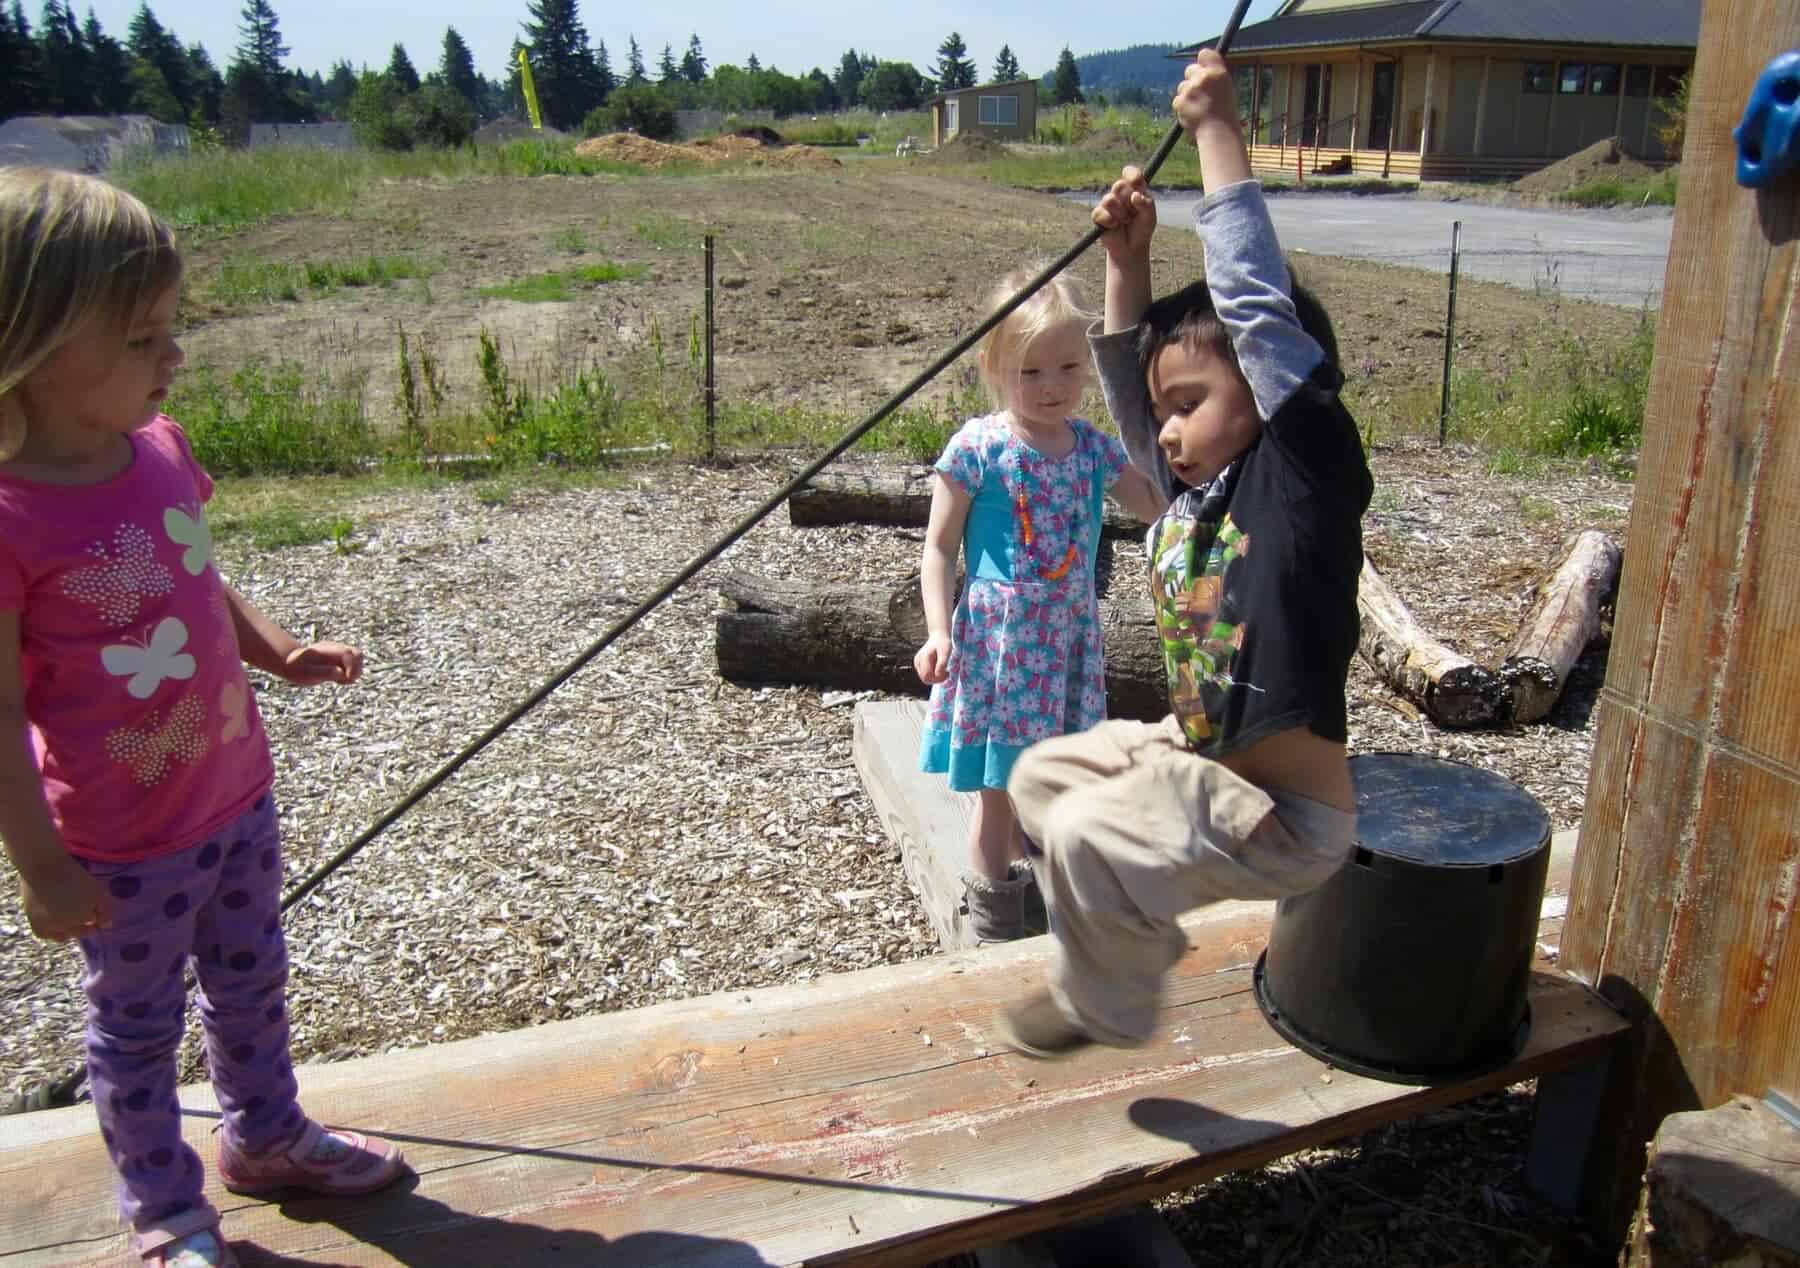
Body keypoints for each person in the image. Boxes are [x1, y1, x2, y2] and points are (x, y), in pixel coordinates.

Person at [0, 168, 406, 1268]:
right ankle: (165, 1208)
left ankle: (266, 1135)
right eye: (140, 338)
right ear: (27, 343)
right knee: (136, 1026)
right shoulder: (12, 514)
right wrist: (42, 866)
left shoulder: (161, 450)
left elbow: (198, 579)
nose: (170, 356)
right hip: (121, 840)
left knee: (250, 977)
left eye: (170, 329)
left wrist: (274, 648)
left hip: (234, 789)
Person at [998, 51, 1375, 1055]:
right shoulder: (1193, 501)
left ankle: (1102, 1003)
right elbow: (1131, 400)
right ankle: (1135, 922)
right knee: (1042, 779)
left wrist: (1215, 131)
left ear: (1268, 389)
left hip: (1286, 816)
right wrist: (1127, 259)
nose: (1163, 431)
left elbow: (1253, 307)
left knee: (1083, 836)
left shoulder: (1297, 478)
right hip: (1203, 757)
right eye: (1165, 412)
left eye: (1190, 406)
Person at [913, 267, 1167, 943]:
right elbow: (938, 549)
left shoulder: (1090, 449)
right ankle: (995, 917)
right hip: (1001, 650)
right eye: (1030, 372)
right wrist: (938, 632)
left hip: (1069, 646)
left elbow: (1153, 504)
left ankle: (1060, 907)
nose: (1051, 387)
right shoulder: (978, 449)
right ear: (994, 368)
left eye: (1067, 368)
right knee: (999, 792)